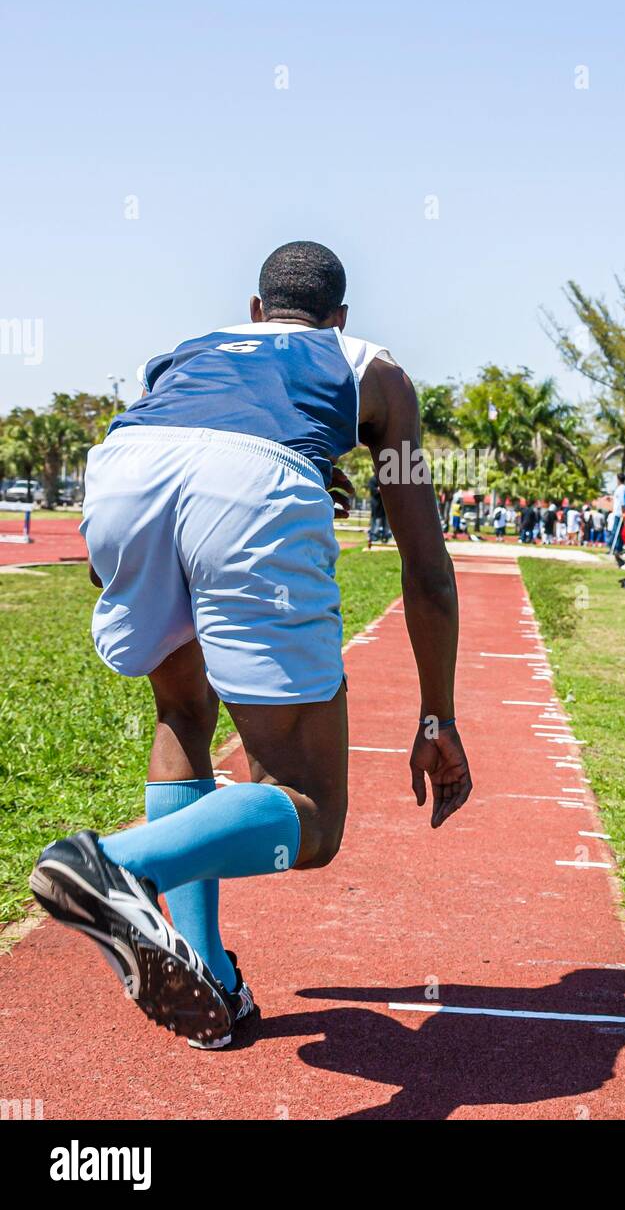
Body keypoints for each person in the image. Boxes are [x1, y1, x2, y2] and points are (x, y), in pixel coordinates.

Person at [30, 240, 472, 1049]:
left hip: (127, 471)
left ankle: (211, 979)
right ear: (338, 318)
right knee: (311, 810)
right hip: (251, 488)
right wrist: (438, 717)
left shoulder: (190, 354)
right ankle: (117, 865)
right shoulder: (376, 370)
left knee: (183, 709)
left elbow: (198, 448)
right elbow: (426, 569)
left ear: (256, 312)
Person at [367, 473, 390, 547]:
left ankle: (385, 536)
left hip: (384, 505)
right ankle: (374, 536)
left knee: (386, 522)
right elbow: (373, 490)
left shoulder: (384, 479)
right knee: (376, 522)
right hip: (376, 505)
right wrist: (378, 489)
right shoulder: (373, 479)